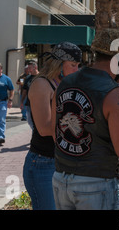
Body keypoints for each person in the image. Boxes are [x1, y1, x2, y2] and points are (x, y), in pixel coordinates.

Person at [52, 29, 119, 210]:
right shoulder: (115, 93)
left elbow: (55, 134)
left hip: (61, 179)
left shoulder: (65, 83)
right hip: (97, 184)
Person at [22, 42, 82, 210]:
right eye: (73, 65)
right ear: (59, 64)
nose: (76, 70)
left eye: (78, 66)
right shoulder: (42, 84)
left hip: (58, 161)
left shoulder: (60, 83)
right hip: (43, 162)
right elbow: (44, 128)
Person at [20, 62, 39, 128]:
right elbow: (24, 90)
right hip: (29, 103)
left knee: (38, 122)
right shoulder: (27, 78)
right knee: (30, 121)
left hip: (39, 103)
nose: (28, 70)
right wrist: (22, 102)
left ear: (35, 68)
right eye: (28, 68)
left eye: (30, 68)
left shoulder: (41, 77)